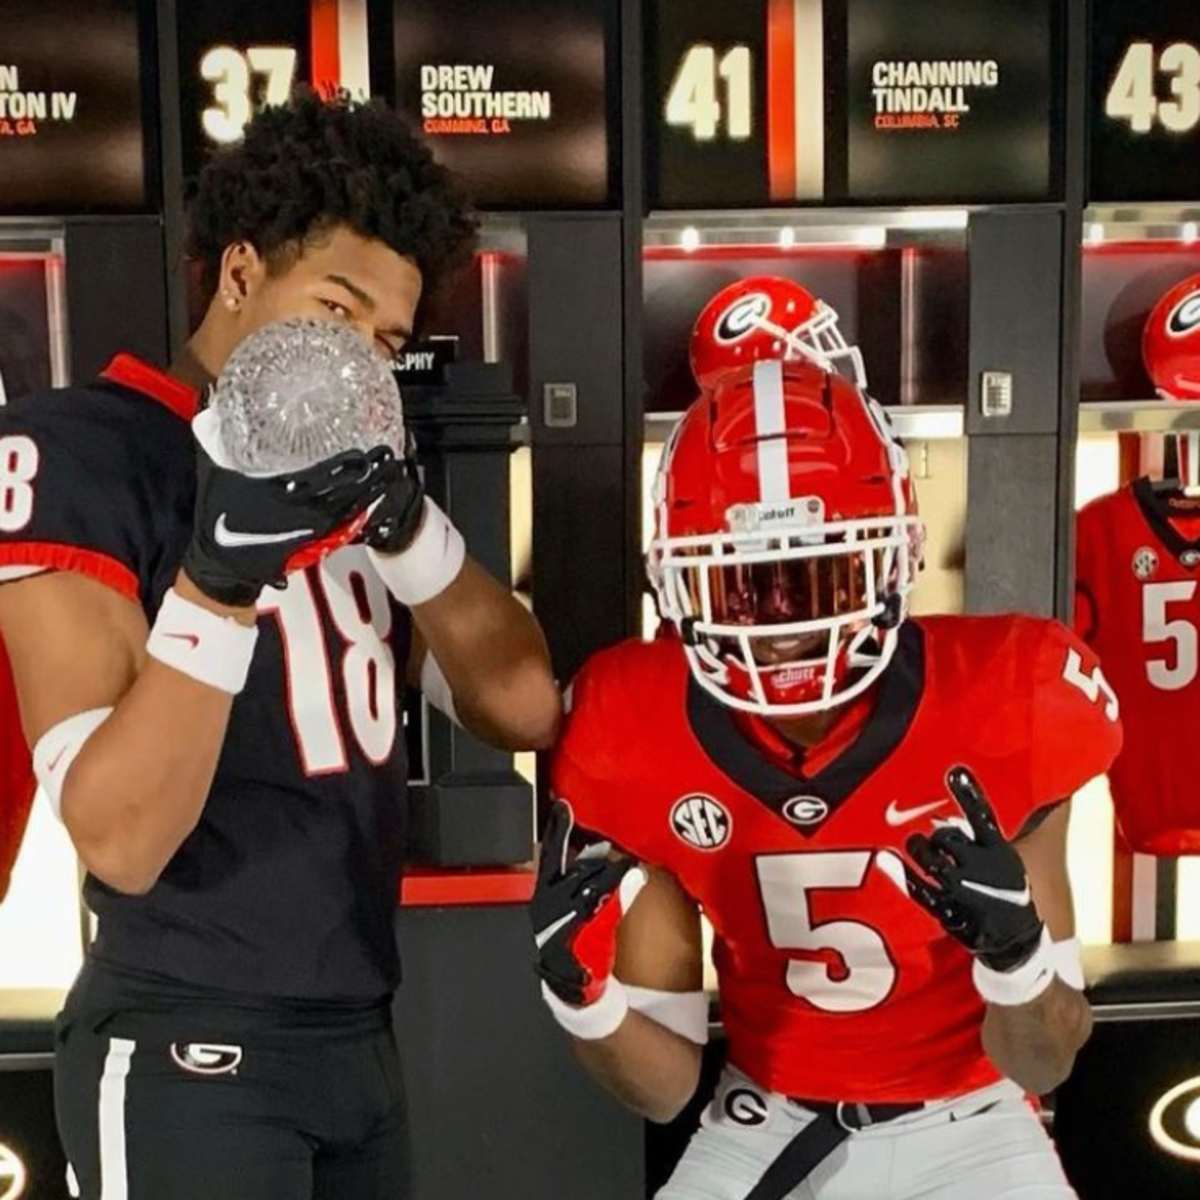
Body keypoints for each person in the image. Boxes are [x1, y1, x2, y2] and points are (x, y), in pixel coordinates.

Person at [0, 91, 560, 1200]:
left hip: (357, 1028)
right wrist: (218, 582)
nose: (357, 361)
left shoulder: (359, 480)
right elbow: (121, 839)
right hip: (185, 1037)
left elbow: (525, 707)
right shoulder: (86, 453)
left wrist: (409, 531)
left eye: (384, 341)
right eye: (335, 310)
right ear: (241, 273)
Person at [532, 359, 1121, 1200]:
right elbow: (663, 1091)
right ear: (676, 580)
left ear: (893, 557)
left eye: (817, 574)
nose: (782, 623)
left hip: (975, 1119)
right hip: (765, 1119)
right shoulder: (635, 722)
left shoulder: (1008, 695)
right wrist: (580, 999)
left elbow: (1044, 1058)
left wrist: (1018, 957)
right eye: (743, 584)